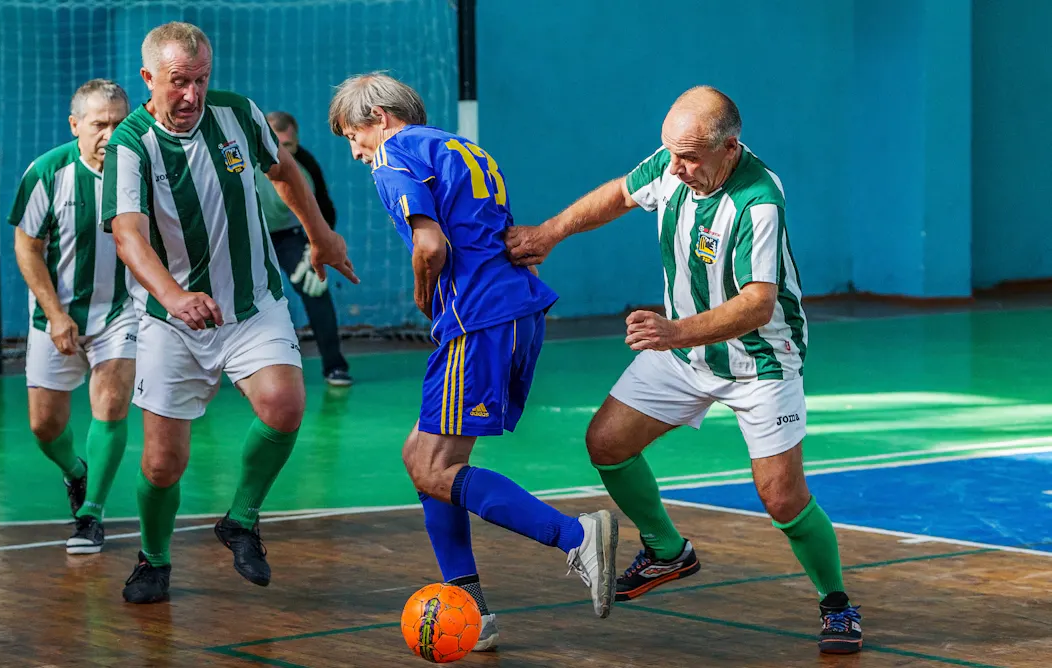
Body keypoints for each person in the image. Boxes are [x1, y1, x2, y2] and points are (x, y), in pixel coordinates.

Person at [504, 85, 862, 655]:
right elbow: (620, 195)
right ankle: (668, 551)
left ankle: (837, 604)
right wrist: (550, 233)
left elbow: (757, 304)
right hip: (685, 350)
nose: (676, 168)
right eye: (671, 153)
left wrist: (671, 331)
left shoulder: (758, 200)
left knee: (781, 497)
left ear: (730, 147)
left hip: (761, 360)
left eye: (691, 157)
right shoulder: (675, 163)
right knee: (608, 441)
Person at [328, 73, 621, 650]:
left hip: (477, 321)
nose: (356, 152)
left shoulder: (395, 156)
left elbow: (431, 245)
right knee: (420, 457)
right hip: (511, 310)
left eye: (351, 135)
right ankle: (471, 606)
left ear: (379, 118)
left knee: (435, 468)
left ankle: (575, 535)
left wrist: (421, 290)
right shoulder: (462, 148)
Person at [102, 22, 359, 605]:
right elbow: (127, 236)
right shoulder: (129, 144)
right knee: (163, 463)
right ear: (147, 79)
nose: (191, 94)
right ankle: (154, 558)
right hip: (173, 320)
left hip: (252, 302)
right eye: (177, 83)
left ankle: (241, 520)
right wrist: (173, 297)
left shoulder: (238, 115)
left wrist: (320, 236)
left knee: (285, 404)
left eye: (200, 79)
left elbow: (285, 172)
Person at [7, 78, 134, 555]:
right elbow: (27, 247)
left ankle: (91, 515)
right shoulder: (46, 172)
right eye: (99, 124)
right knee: (44, 426)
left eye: (119, 123)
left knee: (111, 403)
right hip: (56, 316)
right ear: (75, 124)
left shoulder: (143, 168)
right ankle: (76, 473)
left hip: (124, 311)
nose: (110, 134)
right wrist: (55, 314)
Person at [255, 110, 353, 386]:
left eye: (290, 146)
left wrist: (315, 248)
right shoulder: (241, 160)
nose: (284, 153)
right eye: (278, 146)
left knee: (316, 287)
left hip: (290, 235)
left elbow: (324, 208)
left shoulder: (305, 163)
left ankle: (335, 366)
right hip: (249, 235)